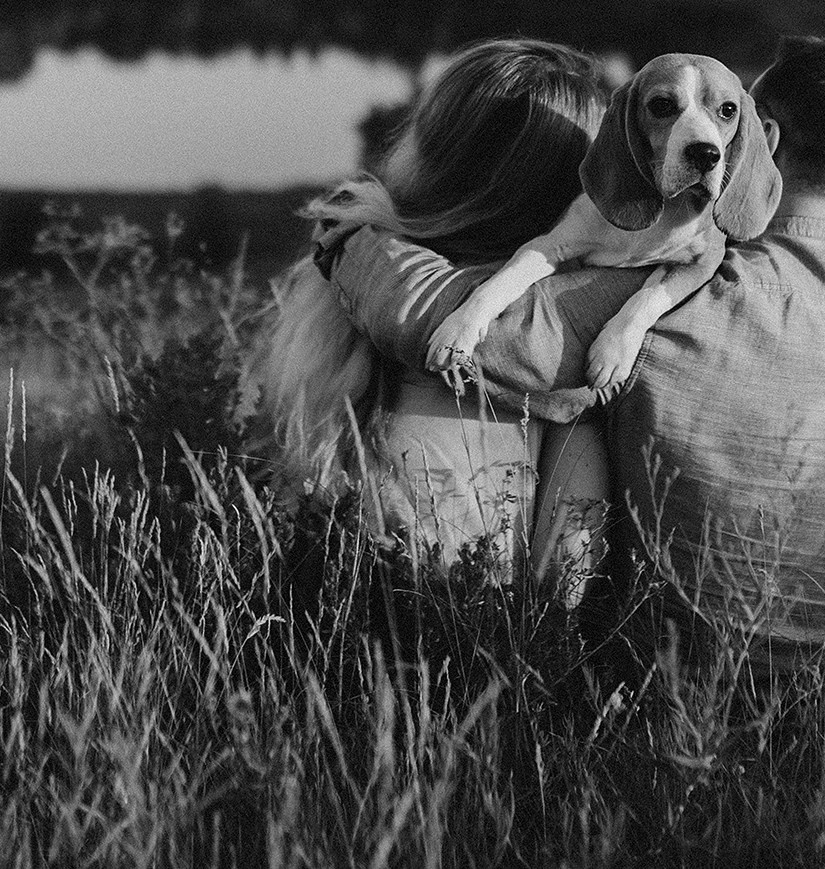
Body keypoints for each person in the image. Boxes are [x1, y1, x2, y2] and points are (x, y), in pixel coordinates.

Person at [320, 35, 825, 679]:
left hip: (686, 693)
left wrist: (350, 238)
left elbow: (471, 328)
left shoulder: (684, 294)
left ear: (762, 140)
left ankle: (480, 652)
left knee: (537, 417)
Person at [241, 37, 616, 580]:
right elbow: (567, 566)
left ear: (437, 150)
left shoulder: (362, 264)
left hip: (329, 599)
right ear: (572, 185)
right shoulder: (574, 334)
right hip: (481, 628)